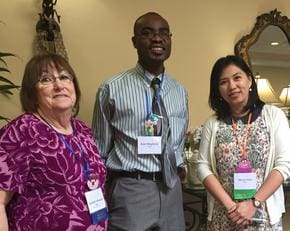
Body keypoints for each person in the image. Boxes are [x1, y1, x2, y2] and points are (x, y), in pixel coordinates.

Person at [92, 12, 188, 231]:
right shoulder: (111, 89)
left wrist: (179, 165)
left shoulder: (179, 91)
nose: (157, 39)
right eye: (147, 33)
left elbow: (178, 142)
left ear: (170, 40)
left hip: (171, 190)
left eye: (164, 33)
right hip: (131, 189)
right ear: (134, 41)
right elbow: (99, 151)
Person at [0, 53, 107, 231]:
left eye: (65, 77)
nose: (59, 85)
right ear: (32, 92)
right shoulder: (22, 131)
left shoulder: (83, 130)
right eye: (46, 79)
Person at [197, 55, 290, 230]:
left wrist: (253, 203)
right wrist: (230, 206)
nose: (232, 86)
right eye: (223, 82)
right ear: (218, 89)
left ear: (249, 80)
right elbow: (203, 166)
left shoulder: (274, 116)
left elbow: (284, 164)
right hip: (223, 215)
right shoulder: (213, 123)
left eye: (237, 77)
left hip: (263, 216)